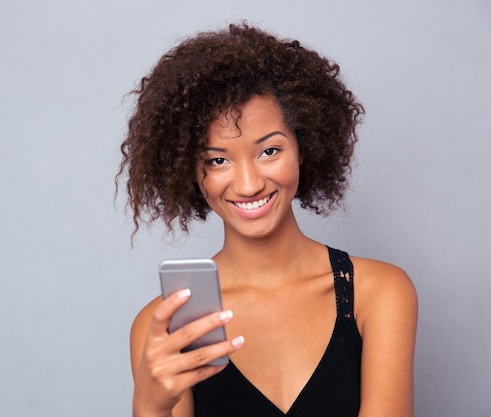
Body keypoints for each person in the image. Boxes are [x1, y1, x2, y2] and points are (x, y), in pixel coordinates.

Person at [117, 22, 418, 417]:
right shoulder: (166, 326)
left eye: (269, 151)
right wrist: (150, 405)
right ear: (190, 172)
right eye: (218, 160)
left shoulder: (377, 293)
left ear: (304, 147)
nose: (248, 184)